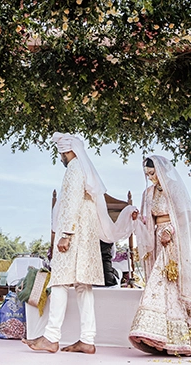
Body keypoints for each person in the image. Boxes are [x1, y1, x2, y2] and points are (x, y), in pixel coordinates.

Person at [25, 133, 135, 354]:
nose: (61, 157)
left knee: (59, 283)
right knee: (83, 287)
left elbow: (71, 202)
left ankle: (51, 337)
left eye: (61, 153)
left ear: (67, 151)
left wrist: (66, 234)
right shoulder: (85, 169)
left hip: (73, 236)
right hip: (85, 237)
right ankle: (87, 339)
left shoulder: (74, 169)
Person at [129, 155, 191, 355]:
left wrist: (170, 231)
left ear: (161, 170)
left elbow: (184, 215)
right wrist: (137, 218)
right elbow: (148, 220)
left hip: (173, 240)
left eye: (153, 173)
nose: (150, 177)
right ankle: (160, 337)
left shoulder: (174, 188)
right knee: (161, 285)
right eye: (147, 174)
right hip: (157, 240)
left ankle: (184, 337)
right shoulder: (148, 193)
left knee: (171, 283)